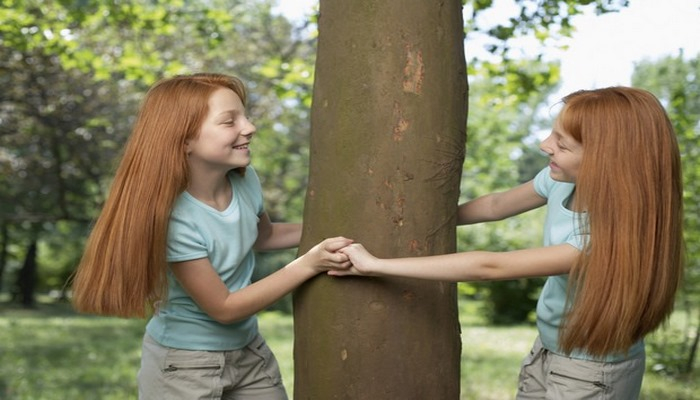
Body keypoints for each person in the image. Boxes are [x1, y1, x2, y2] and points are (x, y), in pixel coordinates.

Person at [332, 87, 684, 399]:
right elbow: (495, 205)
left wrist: (376, 265)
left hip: (592, 372)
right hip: (549, 347)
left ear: (608, 162)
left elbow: (491, 267)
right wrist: (425, 217)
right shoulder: (560, 180)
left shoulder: (603, 238)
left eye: (561, 144)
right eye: (553, 134)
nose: (545, 145)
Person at [71, 73, 352, 400]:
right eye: (229, 121)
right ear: (185, 139)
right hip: (185, 366)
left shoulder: (245, 181)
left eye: (245, 116)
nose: (249, 127)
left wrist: (336, 235)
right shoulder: (176, 219)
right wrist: (310, 264)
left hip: (249, 353)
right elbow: (224, 307)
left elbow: (264, 236)